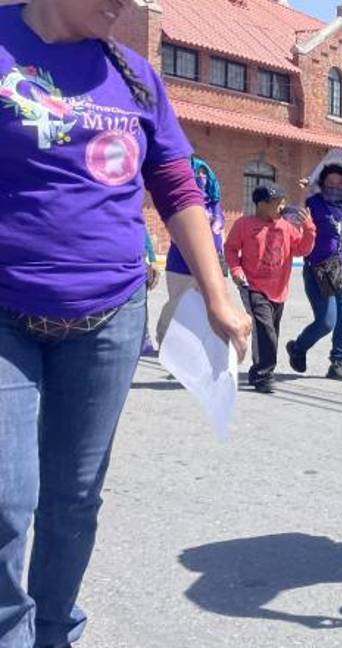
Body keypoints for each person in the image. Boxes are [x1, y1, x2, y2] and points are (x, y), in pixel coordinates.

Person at [0, 2, 251, 647]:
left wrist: (218, 292)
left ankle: (54, 631)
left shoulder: (135, 74)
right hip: (4, 309)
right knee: (6, 500)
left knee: (75, 495)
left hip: (109, 314)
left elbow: (176, 182)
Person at [286, 157, 342, 382]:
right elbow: (296, 222)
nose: (334, 188)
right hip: (320, 270)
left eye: (339, 184)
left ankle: (337, 363)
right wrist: (303, 194)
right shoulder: (315, 202)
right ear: (323, 184)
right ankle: (298, 347)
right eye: (330, 184)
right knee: (327, 321)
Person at [225, 185, 316, 394]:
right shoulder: (244, 225)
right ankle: (264, 375)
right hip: (253, 286)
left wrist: (309, 227)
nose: (281, 206)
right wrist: (236, 270)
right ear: (261, 204)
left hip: (278, 288)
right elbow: (230, 250)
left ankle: (258, 370)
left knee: (270, 331)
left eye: (282, 202)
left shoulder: (286, 226)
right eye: (277, 202)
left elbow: (302, 249)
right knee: (266, 331)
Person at [157, 155, 227, 345]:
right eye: (196, 178)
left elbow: (218, 236)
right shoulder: (178, 207)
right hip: (180, 265)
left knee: (205, 305)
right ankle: (164, 335)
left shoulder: (216, 213)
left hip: (209, 265)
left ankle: (195, 342)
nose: (200, 182)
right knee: (177, 303)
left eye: (203, 178)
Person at [141, 226, 161, 356]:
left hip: (139, 266)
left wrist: (153, 260)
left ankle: (144, 341)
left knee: (142, 306)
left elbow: (145, 236)